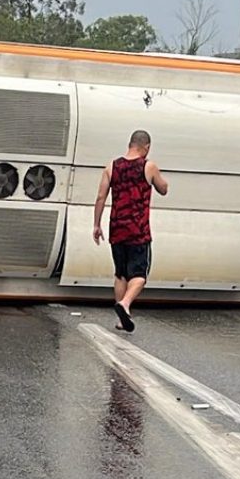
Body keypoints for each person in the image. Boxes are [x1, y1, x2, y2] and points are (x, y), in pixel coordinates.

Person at [93, 130, 169, 333]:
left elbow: (101, 197)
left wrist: (96, 224)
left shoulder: (112, 166)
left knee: (120, 275)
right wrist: (161, 180)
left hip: (116, 227)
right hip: (138, 229)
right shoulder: (148, 166)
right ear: (147, 147)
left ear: (130, 144)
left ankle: (121, 319)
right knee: (139, 274)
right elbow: (163, 189)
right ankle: (125, 304)